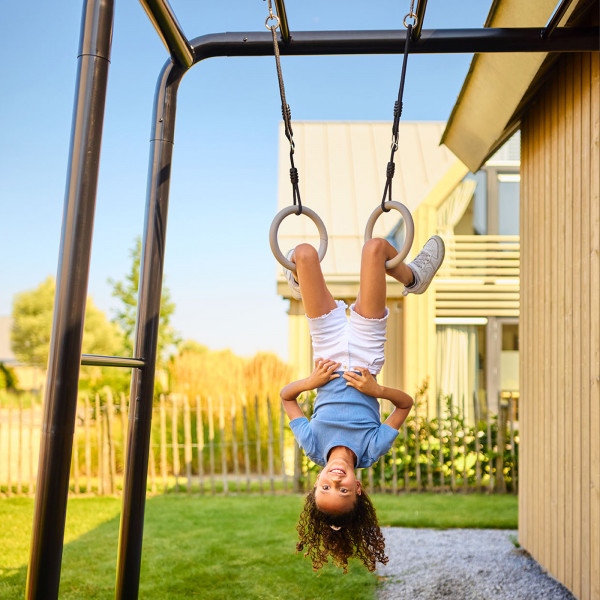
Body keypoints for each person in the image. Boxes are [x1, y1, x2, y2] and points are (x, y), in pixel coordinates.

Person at [280, 234, 445, 573]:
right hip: (366, 355)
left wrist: (311, 383)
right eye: (341, 490)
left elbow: (287, 397)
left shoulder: (312, 445)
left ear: (316, 483)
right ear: (358, 488)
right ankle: (414, 278)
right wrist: (377, 389)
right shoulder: (371, 449)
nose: (334, 480)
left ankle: (300, 276)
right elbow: (405, 405)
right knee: (376, 248)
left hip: (327, 351)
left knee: (305, 253)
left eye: (325, 486)